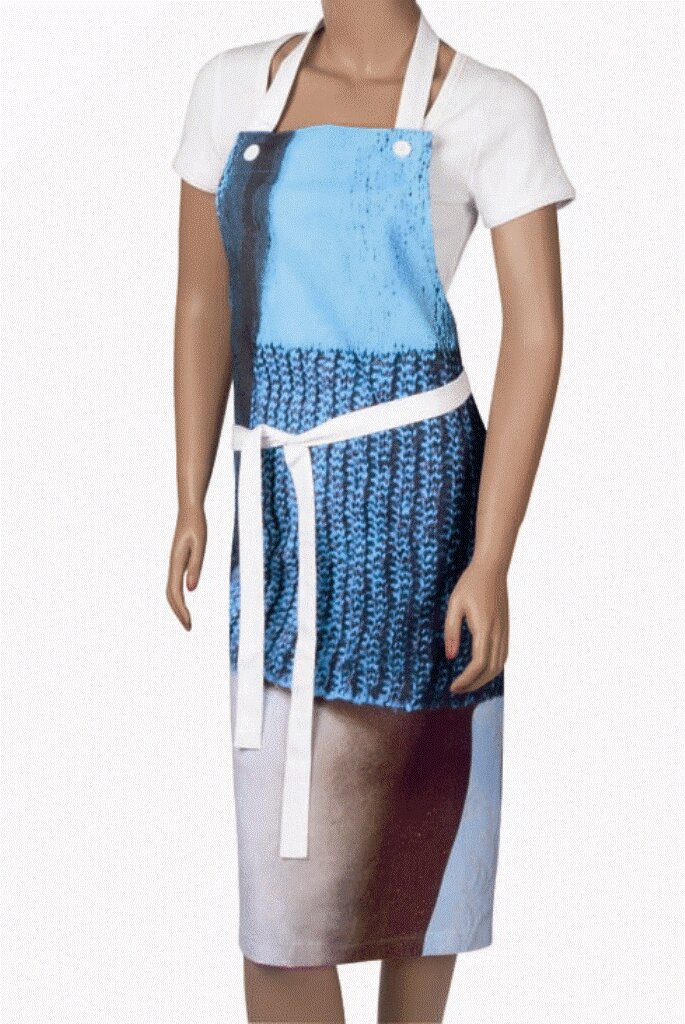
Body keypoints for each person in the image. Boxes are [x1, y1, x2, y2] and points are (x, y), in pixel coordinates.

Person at [168, 2, 575, 1021]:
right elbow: (202, 301)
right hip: (282, 520)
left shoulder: (489, 106)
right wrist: (189, 490)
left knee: (419, 866)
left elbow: (536, 334)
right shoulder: (229, 88)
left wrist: (491, 558)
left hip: (427, 523)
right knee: (279, 921)